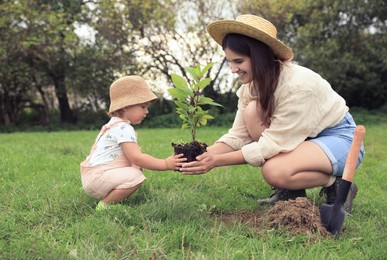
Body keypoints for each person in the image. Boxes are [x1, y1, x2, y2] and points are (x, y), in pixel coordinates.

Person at [180, 14, 365, 213]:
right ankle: (293, 192)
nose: (233, 69)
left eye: (239, 61)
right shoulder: (250, 88)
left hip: (339, 140)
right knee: (252, 110)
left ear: (259, 56)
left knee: (274, 170)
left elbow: (270, 145)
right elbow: (238, 135)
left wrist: (217, 161)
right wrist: (201, 156)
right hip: (302, 140)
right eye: (229, 62)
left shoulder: (298, 86)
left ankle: (337, 185)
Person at [80, 75, 186, 210]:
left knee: (135, 168)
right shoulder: (124, 128)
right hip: (97, 178)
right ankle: (105, 206)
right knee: (136, 176)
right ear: (125, 107)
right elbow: (137, 158)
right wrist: (165, 164)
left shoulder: (114, 125)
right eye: (143, 106)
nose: (147, 111)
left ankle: (111, 196)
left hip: (93, 177)